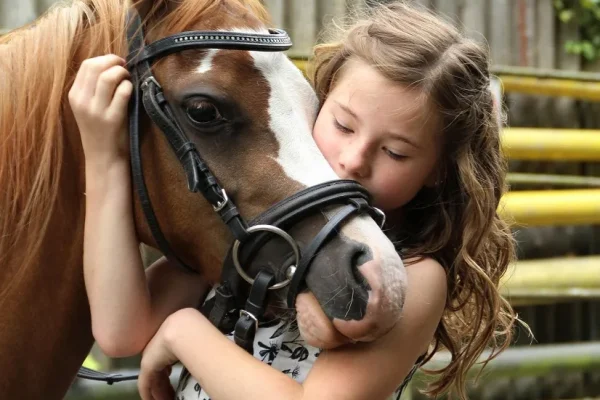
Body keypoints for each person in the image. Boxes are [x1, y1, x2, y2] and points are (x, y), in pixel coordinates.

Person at [69, 2, 523, 399]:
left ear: (438, 170)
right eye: (343, 125)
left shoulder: (416, 274)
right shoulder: (259, 233)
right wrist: (103, 157)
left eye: (395, 152)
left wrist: (181, 331)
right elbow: (120, 329)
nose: (353, 160)